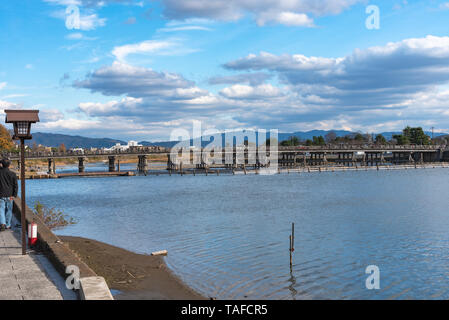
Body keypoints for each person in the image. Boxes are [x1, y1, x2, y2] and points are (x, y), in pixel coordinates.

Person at [0, 158, 18, 231]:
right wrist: (14, 195)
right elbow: (15, 186)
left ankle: (2, 223)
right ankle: (8, 225)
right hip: (10, 195)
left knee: (1, 209)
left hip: (1, 194)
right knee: (9, 210)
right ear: (9, 165)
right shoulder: (12, 174)